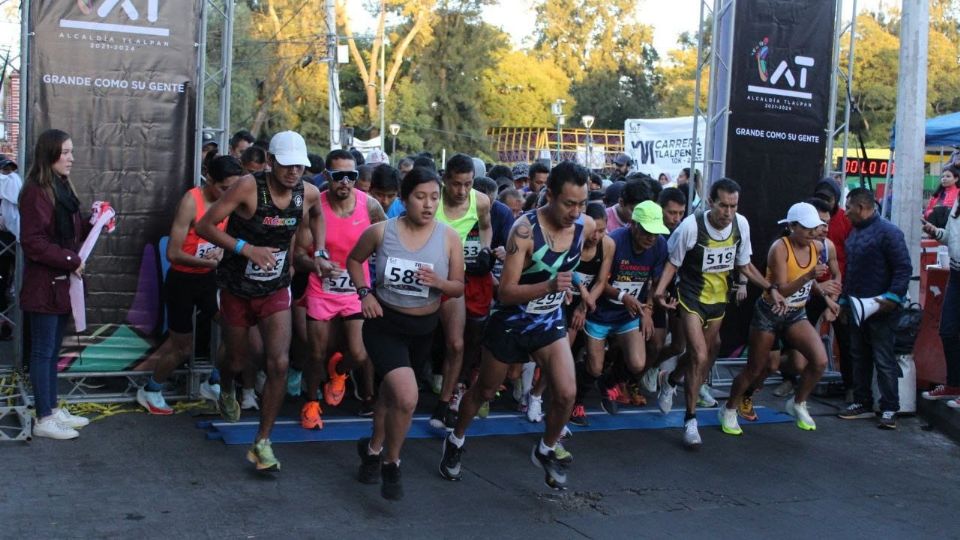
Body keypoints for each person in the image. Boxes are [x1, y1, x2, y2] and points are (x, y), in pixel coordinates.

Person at [440, 161, 594, 490]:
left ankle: (546, 449)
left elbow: (578, 262)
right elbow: (506, 292)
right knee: (484, 391)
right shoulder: (524, 231)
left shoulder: (585, 226)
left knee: (567, 393)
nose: (575, 211)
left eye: (581, 203)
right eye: (569, 203)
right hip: (512, 322)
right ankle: (455, 439)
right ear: (548, 195)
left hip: (549, 321)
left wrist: (578, 289)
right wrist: (551, 287)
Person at [197, 131, 329, 471]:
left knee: (279, 363)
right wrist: (246, 249)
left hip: (275, 287)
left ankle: (262, 442)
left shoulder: (307, 192)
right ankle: (226, 384)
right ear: (270, 162)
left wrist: (321, 249)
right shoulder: (247, 187)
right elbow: (205, 226)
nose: (293, 173)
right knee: (240, 359)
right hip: (236, 286)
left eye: (299, 166)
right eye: (286, 166)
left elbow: (317, 213)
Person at [349, 166, 463, 500]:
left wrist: (439, 284)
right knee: (408, 396)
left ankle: (371, 449)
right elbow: (354, 260)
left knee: (391, 394)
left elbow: (457, 287)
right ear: (403, 198)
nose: (428, 205)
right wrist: (364, 293)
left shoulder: (448, 237)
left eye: (434, 198)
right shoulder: (382, 232)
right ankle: (392, 462)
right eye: (420, 197)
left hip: (423, 330)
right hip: (385, 325)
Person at [652, 178, 784, 448]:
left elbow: (744, 264)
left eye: (733, 206)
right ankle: (690, 420)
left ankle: (672, 380)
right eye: (723, 205)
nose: (728, 212)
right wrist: (659, 292)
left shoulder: (740, 224)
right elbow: (672, 264)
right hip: (690, 298)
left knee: (704, 355)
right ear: (710, 202)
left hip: (718, 301)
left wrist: (770, 287)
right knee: (700, 355)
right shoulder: (691, 226)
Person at [136, 156, 242, 414]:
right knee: (182, 346)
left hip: (209, 279)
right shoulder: (190, 201)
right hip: (182, 280)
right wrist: (208, 262)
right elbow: (173, 253)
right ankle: (151, 389)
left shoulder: (229, 202)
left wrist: (220, 255)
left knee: (235, 329)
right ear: (210, 180)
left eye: (234, 189)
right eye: (224, 188)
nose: (230, 195)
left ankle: (214, 381)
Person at [720, 203, 835, 435]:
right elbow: (781, 290)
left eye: (816, 228)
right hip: (770, 313)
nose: (814, 233)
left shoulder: (818, 247)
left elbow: (810, 279)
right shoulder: (779, 249)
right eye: (808, 228)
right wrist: (808, 277)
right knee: (757, 367)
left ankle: (798, 402)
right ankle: (729, 407)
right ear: (792, 227)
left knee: (819, 361)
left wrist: (825, 296)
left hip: (795, 313)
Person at [297, 150, 385, 429]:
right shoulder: (315, 208)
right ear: (327, 177)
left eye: (351, 176)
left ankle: (339, 371)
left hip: (355, 290)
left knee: (359, 354)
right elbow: (297, 254)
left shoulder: (369, 206)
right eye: (338, 176)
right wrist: (315, 264)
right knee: (315, 353)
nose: (345, 182)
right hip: (321, 289)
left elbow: (389, 238)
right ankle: (311, 403)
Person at [19, 129, 92, 439]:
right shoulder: (36, 191)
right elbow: (33, 242)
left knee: (50, 352)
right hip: (45, 286)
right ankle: (44, 417)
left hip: (61, 286)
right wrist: (70, 261)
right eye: (65, 152)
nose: (71, 158)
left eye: (71, 151)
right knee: (43, 352)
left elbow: (69, 233)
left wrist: (96, 220)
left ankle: (50, 407)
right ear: (49, 155)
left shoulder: (60, 187)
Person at [582, 201, 669, 417]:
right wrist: (623, 296)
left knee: (638, 363)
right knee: (593, 367)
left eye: (656, 233)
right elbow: (599, 282)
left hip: (627, 314)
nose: (651, 238)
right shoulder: (614, 242)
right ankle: (578, 398)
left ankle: (608, 382)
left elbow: (655, 281)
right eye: (647, 231)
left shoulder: (659, 245)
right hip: (600, 312)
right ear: (633, 225)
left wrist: (648, 309)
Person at [836, 188, 911, 429]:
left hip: (883, 310)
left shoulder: (890, 233)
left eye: (848, 208)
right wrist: (845, 302)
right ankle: (863, 402)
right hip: (858, 307)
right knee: (859, 357)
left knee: (883, 359)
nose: (845, 213)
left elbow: (903, 268)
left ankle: (889, 409)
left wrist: (892, 297)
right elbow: (851, 272)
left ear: (861, 207)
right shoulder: (854, 234)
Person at [430, 154, 493, 429]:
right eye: (456, 184)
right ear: (445, 180)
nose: (462, 191)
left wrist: (486, 250)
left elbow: (487, 226)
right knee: (417, 342)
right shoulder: (432, 200)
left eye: (468, 184)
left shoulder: (480, 201)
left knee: (456, 343)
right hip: (423, 276)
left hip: (453, 280)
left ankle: (443, 405)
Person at [922, 197, 960, 407]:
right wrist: (936, 232)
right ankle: (954, 384)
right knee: (948, 330)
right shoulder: (957, 203)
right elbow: (952, 238)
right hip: (956, 273)